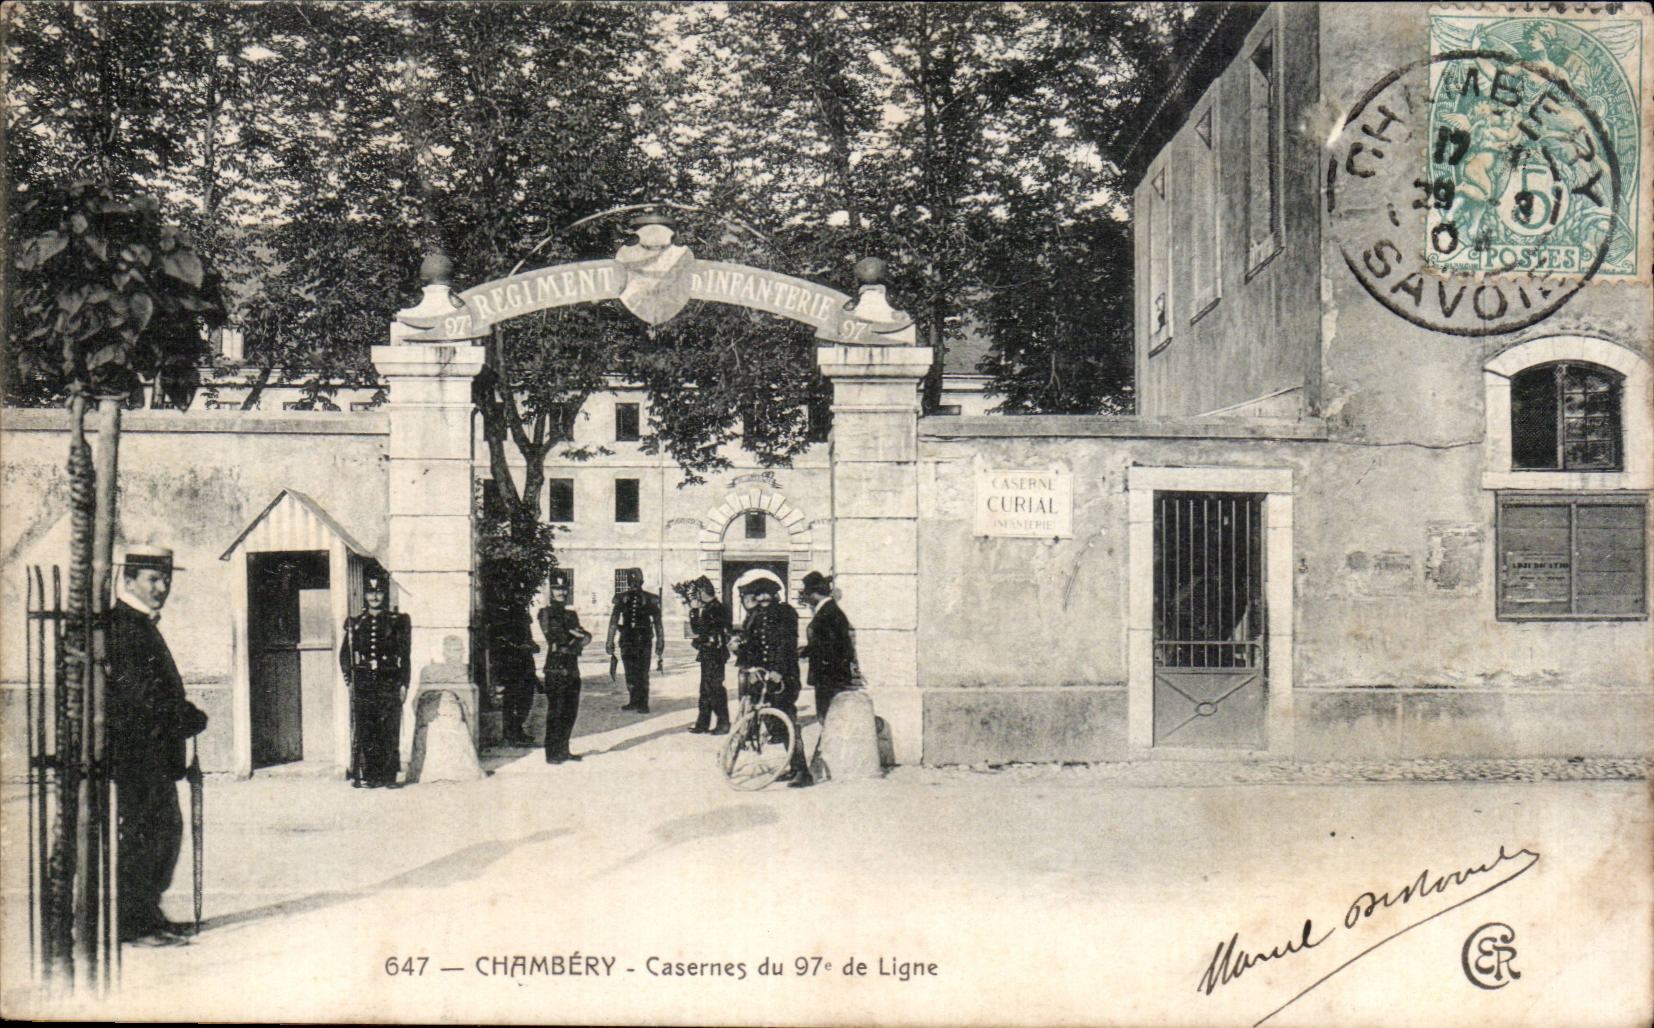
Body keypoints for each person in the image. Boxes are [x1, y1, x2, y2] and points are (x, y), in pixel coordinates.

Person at [107, 545, 209, 946]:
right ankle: (132, 925)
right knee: (146, 835)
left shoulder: (142, 624)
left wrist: (183, 715)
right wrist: (187, 718)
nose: (162, 587)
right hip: (136, 752)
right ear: (128, 580)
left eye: (166, 578)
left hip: (154, 754)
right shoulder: (124, 626)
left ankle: (147, 914)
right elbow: (143, 696)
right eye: (153, 579)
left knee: (163, 832)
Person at [339, 572, 411, 788]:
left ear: (384, 594)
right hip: (364, 684)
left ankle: (388, 777)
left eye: (378, 592)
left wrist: (404, 683)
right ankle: (371, 775)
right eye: (370, 593)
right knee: (367, 728)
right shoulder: (356, 623)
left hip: (388, 681)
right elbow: (345, 655)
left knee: (389, 728)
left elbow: (405, 655)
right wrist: (349, 680)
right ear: (365, 596)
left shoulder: (397, 621)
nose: (374, 597)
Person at [738, 577, 812, 787]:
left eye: (766, 593)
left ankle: (802, 771)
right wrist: (751, 668)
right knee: (773, 724)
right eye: (758, 594)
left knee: (788, 721)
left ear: (775, 594)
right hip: (762, 679)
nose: (762, 598)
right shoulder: (755, 616)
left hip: (783, 678)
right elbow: (751, 645)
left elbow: (787, 644)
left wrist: (778, 670)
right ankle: (791, 766)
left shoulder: (785, 613)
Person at [538, 570, 592, 764]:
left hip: (571, 667)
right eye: (556, 589)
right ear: (550, 591)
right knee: (556, 711)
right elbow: (554, 637)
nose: (561, 592)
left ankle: (564, 750)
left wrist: (575, 636)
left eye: (563, 588)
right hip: (555, 667)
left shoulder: (571, 614)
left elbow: (586, 638)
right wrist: (575, 636)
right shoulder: (545, 613)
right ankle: (552, 754)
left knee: (570, 711)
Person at [798, 571, 856, 727]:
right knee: (829, 716)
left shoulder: (828, 613)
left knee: (828, 717)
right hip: (829, 674)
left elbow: (830, 646)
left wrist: (808, 651)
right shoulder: (829, 610)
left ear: (815, 594)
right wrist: (806, 650)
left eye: (807, 594)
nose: (807, 598)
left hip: (828, 675)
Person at [605, 568, 663, 714]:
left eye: (636, 582)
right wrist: (609, 640)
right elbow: (613, 621)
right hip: (627, 640)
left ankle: (643, 703)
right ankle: (633, 701)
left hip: (644, 640)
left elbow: (657, 622)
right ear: (628, 582)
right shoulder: (621, 598)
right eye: (631, 582)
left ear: (642, 582)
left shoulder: (651, 599)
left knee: (643, 672)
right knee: (629, 671)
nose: (634, 585)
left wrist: (660, 642)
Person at [686, 576, 731, 735]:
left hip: (714, 654)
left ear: (702, 592)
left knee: (715, 689)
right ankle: (702, 723)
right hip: (710, 653)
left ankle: (723, 723)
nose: (696, 596)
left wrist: (694, 611)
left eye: (697, 592)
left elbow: (700, 630)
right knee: (706, 689)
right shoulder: (713, 607)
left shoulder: (715, 609)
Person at [491, 604, 539, 747]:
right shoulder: (503, 616)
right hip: (510, 665)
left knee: (526, 700)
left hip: (526, 664)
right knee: (512, 700)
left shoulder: (523, 615)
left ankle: (517, 730)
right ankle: (510, 734)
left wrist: (532, 645)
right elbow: (498, 641)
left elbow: (528, 639)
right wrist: (518, 647)